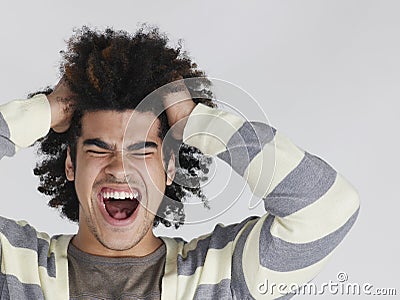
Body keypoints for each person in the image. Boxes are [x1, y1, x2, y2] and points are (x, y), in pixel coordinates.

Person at [0, 26, 360, 300]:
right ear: (71, 165)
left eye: (141, 150)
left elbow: (328, 208)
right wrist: (44, 110)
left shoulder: (224, 277)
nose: (120, 167)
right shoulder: (13, 266)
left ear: (169, 168)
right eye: (98, 149)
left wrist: (201, 125)